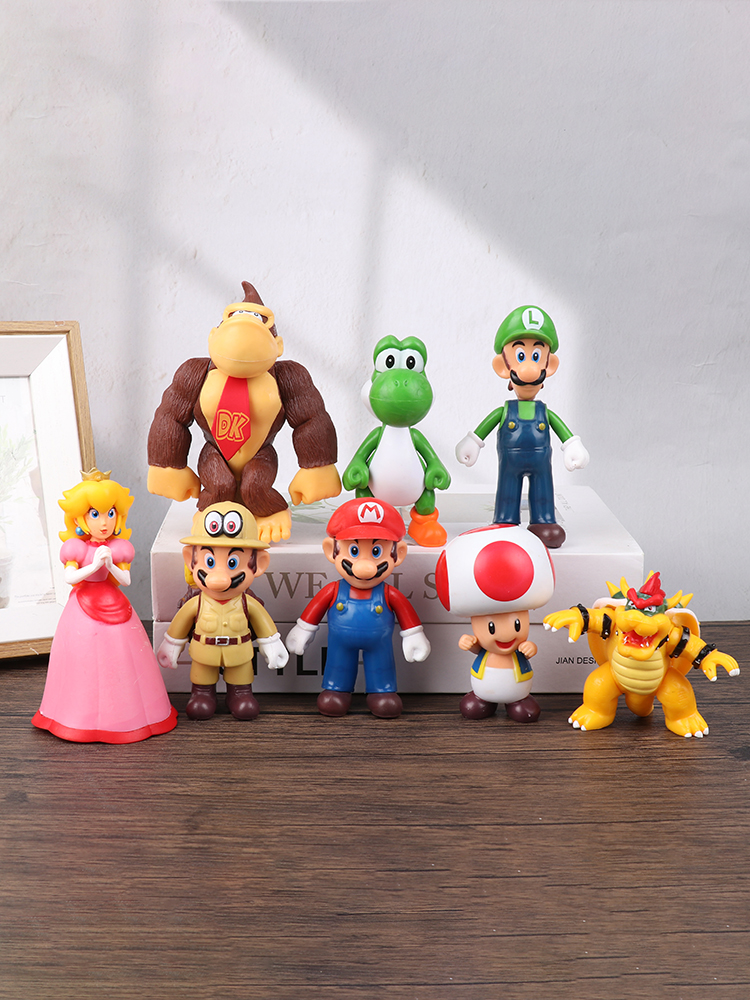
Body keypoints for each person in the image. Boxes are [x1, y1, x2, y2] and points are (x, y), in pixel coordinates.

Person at [32, 469, 177, 743]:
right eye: (95, 514)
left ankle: (129, 715)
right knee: (81, 660)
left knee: (124, 659)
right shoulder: (75, 548)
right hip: (81, 609)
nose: (104, 522)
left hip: (114, 603)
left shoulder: (119, 548)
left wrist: (109, 564)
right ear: (80, 517)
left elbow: (126, 580)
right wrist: (94, 566)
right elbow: (70, 577)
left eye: (110, 513)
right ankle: (77, 716)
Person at [455, 305, 589, 548]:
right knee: (507, 490)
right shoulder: (504, 411)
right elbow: (486, 426)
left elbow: (562, 430)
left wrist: (572, 445)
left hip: (541, 463)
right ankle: (505, 521)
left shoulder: (544, 412)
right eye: (520, 356)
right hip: (509, 463)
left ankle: (544, 521)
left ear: (550, 365)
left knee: (543, 490)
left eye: (536, 356)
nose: (529, 368)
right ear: (503, 366)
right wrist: (473, 442)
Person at [286, 498, 430, 718]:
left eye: (376, 552)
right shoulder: (333, 590)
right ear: (331, 551)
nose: (364, 566)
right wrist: (303, 629)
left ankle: (382, 692)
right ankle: (336, 690)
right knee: (338, 665)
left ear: (398, 553)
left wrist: (413, 635)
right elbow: (314, 610)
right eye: (353, 550)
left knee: (381, 667)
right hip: (340, 643)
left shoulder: (389, 594)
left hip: (379, 643)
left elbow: (406, 614)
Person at [157, 501, 288, 720]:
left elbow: (264, 624)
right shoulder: (196, 603)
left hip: (239, 653)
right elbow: (180, 624)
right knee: (202, 684)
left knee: (242, 686)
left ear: (258, 564)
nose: (219, 577)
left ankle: (240, 694)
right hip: (204, 653)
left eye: (233, 563)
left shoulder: (247, 603)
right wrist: (171, 646)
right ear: (191, 560)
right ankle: (202, 694)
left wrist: (272, 645)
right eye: (209, 561)